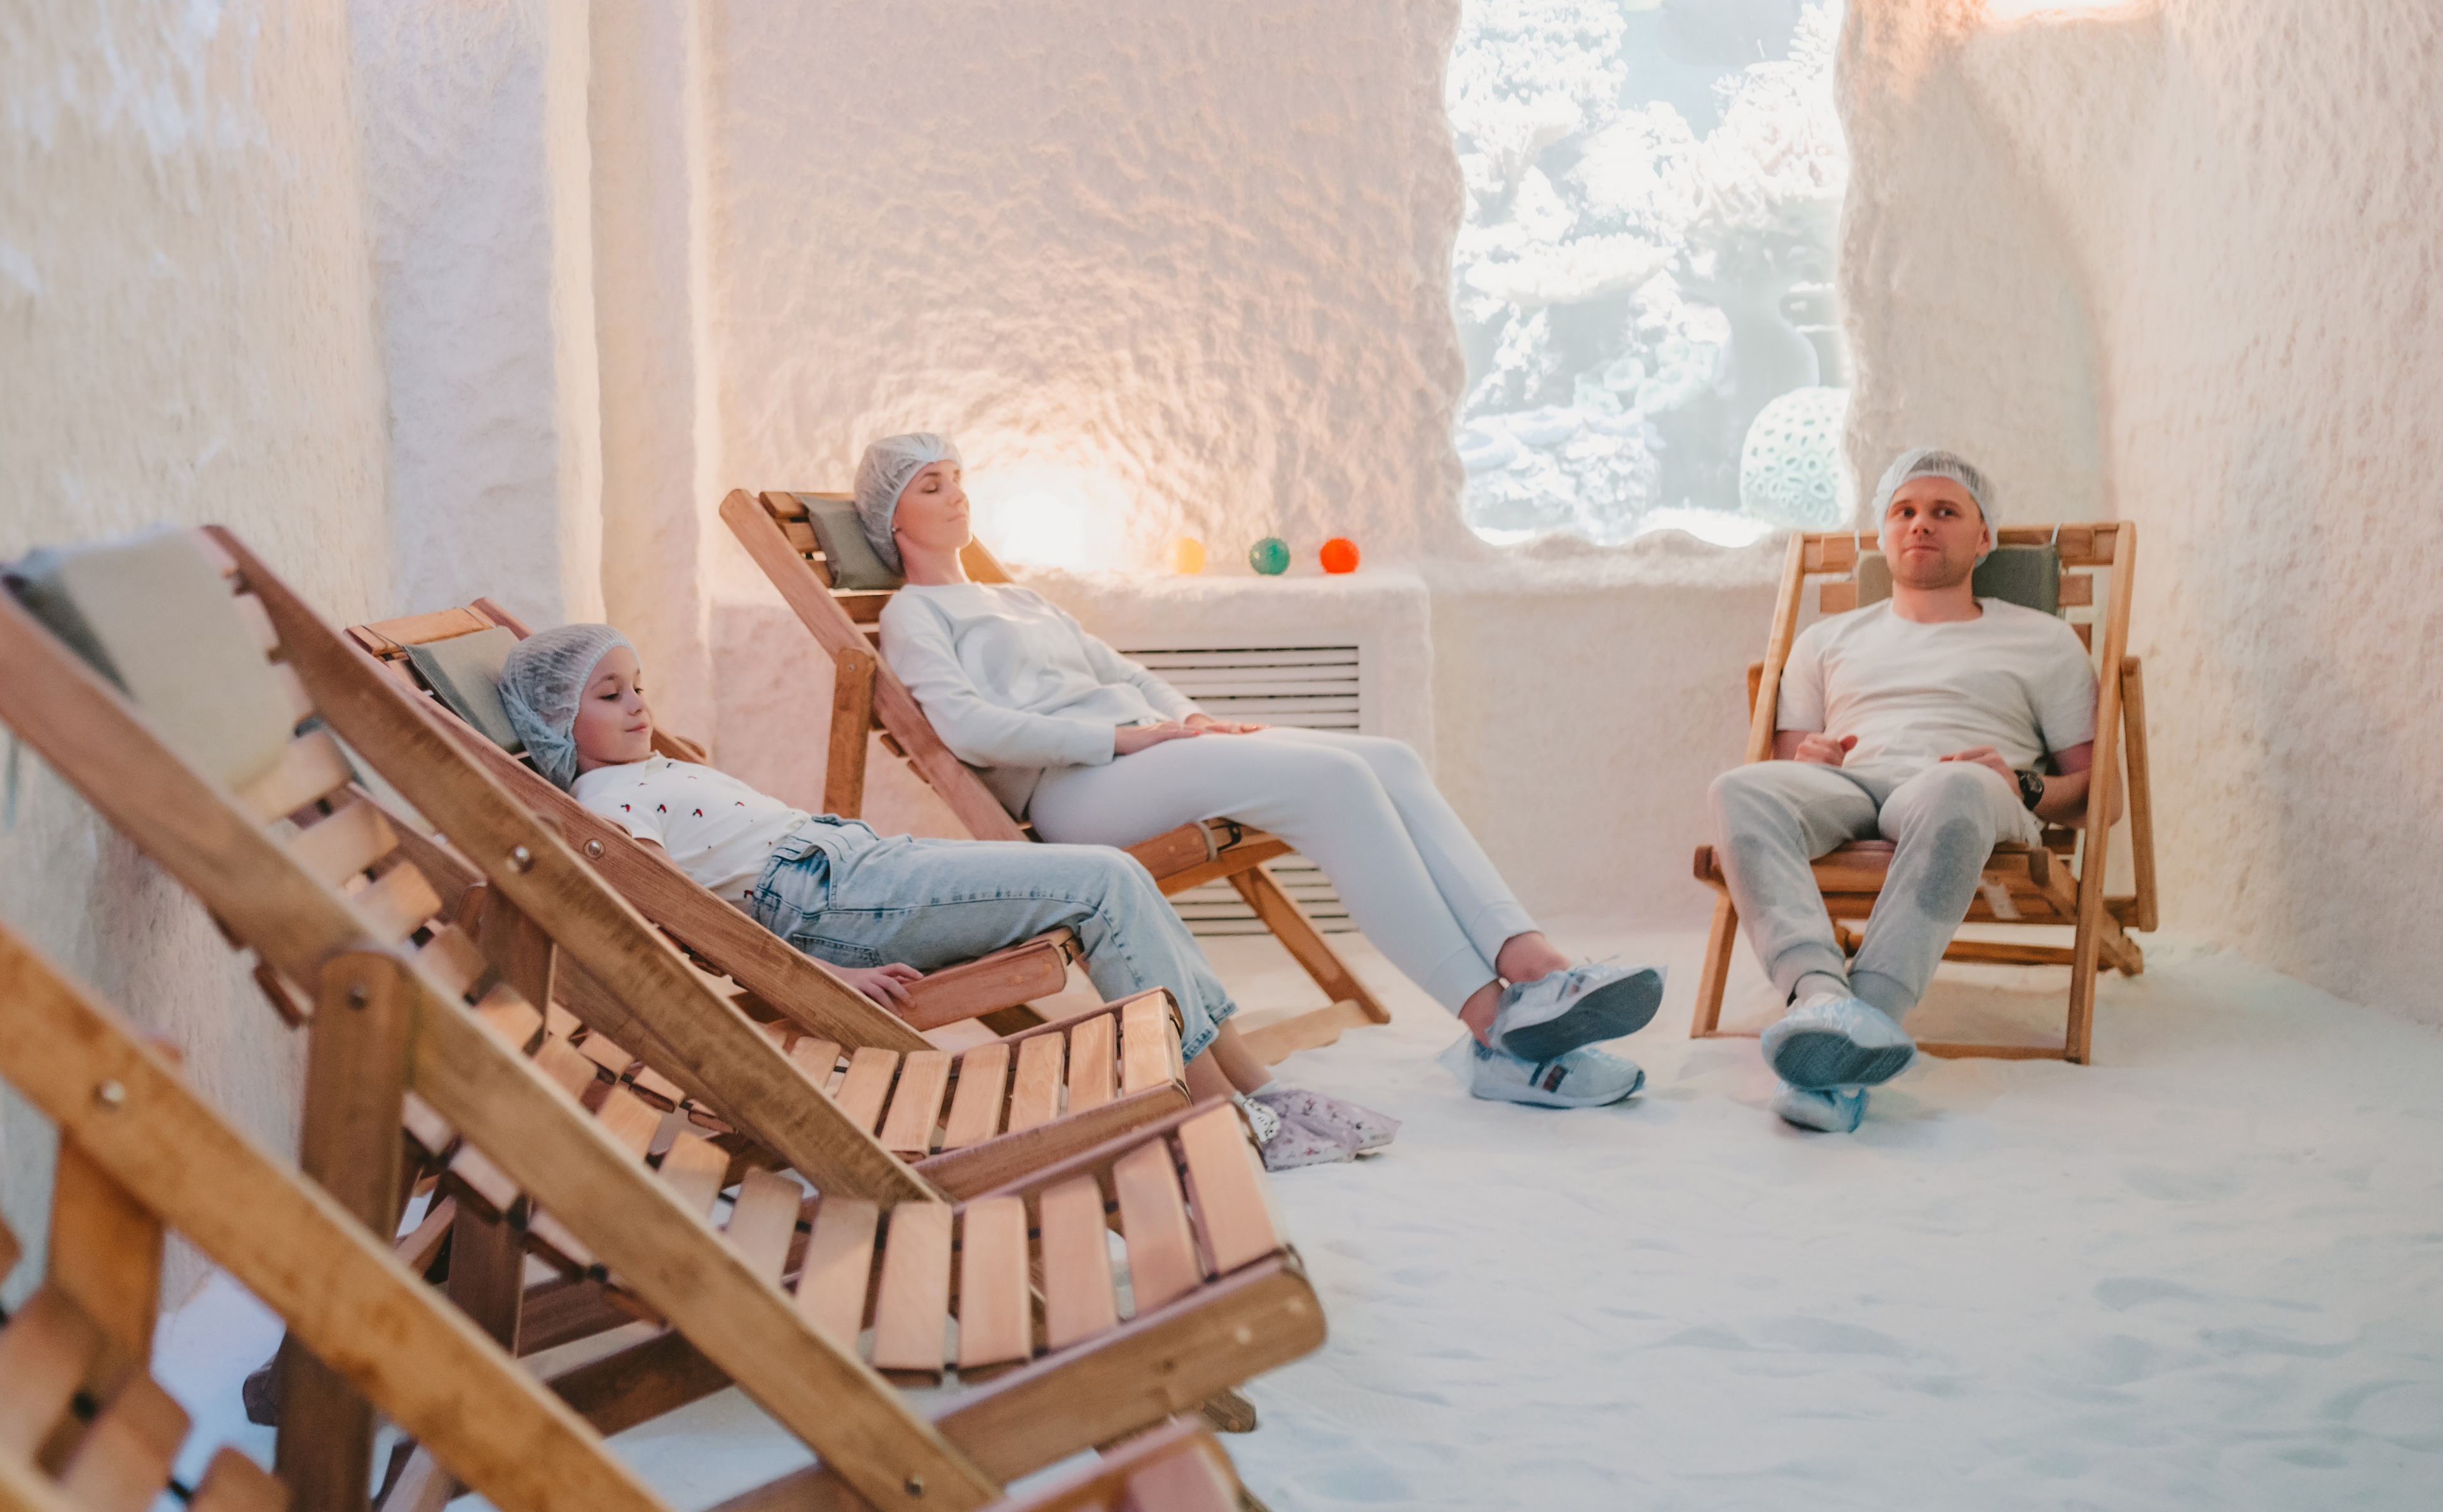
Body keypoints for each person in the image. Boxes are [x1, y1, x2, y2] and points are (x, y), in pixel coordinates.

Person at [855, 433, 1660, 1110]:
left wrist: (1187, 720)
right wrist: (1124, 740)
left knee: (1389, 758)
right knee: (1335, 786)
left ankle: (1536, 969)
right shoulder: (912, 615)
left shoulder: (1021, 600)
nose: (957, 495)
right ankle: (1494, 1028)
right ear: (892, 517)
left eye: (957, 478)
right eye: (932, 486)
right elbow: (968, 729)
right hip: (1074, 788)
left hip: (1147, 751)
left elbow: (1125, 673)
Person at [495, 622, 1399, 1171]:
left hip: (857, 865)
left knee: (1109, 878)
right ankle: (1221, 1118)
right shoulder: (603, 802)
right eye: (609, 694)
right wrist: (807, 978)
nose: (637, 704)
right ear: (554, 719)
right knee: (1102, 879)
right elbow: (671, 913)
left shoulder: (647, 768)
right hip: (830, 903)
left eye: (638, 686)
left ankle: (1261, 1092)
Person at [1709, 448, 2100, 1133]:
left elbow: (2101, 799)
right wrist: (1809, 756)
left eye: (1944, 511)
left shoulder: (2043, 639)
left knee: (1955, 784)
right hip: (1849, 787)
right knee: (1738, 789)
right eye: (1904, 511)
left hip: (1964, 790)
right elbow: (1785, 763)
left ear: (1983, 538)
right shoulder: (1826, 639)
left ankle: (1865, 1017)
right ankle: (1820, 999)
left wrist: (2025, 785)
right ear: (1884, 533)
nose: (1921, 524)